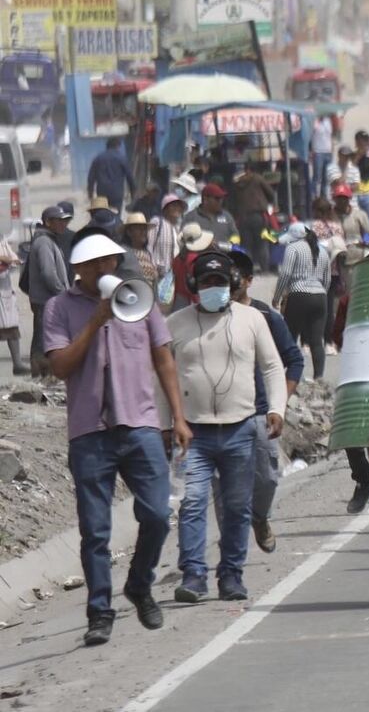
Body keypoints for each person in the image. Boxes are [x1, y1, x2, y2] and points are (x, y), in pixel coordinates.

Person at [47, 230, 190, 646]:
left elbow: (163, 359)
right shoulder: (59, 308)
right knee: (95, 531)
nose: (105, 269)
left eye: (109, 261)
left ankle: (140, 584)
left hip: (139, 424)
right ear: (79, 269)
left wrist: (178, 418)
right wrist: (94, 323)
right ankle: (99, 611)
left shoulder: (139, 299)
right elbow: (60, 366)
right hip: (90, 432)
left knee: (158, 515)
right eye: (95, 264)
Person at [166, 251, 287, 603]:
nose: (213, 288)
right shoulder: (176, 324)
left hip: (241, 429)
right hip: (193, 434)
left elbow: (272, 367)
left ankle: (231, 575)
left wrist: (277, 408)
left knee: (237, 507)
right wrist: (166, 422)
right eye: (206, 283)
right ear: (193, 286)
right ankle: (193, 575)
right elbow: (162, 378)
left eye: (220, 282)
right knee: (191, 503)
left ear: (232, 285)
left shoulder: (252, 319)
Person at [227, 250, 302, 554]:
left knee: (267, 478)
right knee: (223, 490)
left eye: (232, 277)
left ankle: (260, 518)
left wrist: (278, 404)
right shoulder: (205, 317)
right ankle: (225, 558)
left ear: (247, 281)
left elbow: (294, 360)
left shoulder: (266, 317)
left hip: (259, 413)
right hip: (219, 417)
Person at [27, 202, 76, 376]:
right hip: (45, 300)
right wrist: (62, 293)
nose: (63, 224)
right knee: (42, 341)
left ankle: (42, 377)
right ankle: (40, 379)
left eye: (64, 221)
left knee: (42, 338)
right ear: (48, 222)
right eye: (59, 221)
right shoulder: (44, 242)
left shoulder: (49, 240)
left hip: (47, 300)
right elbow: (48, 273)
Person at [229, 162, 276, 257]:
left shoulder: (237, 181)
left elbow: (232, 201)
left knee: (246, 245)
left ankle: (247, 267)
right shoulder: (258, 178)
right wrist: (267, 202)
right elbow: (271, 194)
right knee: (262, 243)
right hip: (258, 216)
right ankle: (264, 269)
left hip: (243, 217)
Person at [86, 137, 136, 211]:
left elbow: (91, 178)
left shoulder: (98, 158)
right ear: (117, 146)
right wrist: (133, 194)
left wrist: (90, 195)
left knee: (102, 216)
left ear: (107, 146)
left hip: (102, 194)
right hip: (117, 194)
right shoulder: (122, 158)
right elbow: (130, 177)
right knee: (116, 217)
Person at [0, 236, 25, 375]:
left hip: (5, 294)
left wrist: (6, 260)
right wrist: (6, 261)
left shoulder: (3, 242)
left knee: (12, 331)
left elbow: (15, 261)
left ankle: (18, 364)